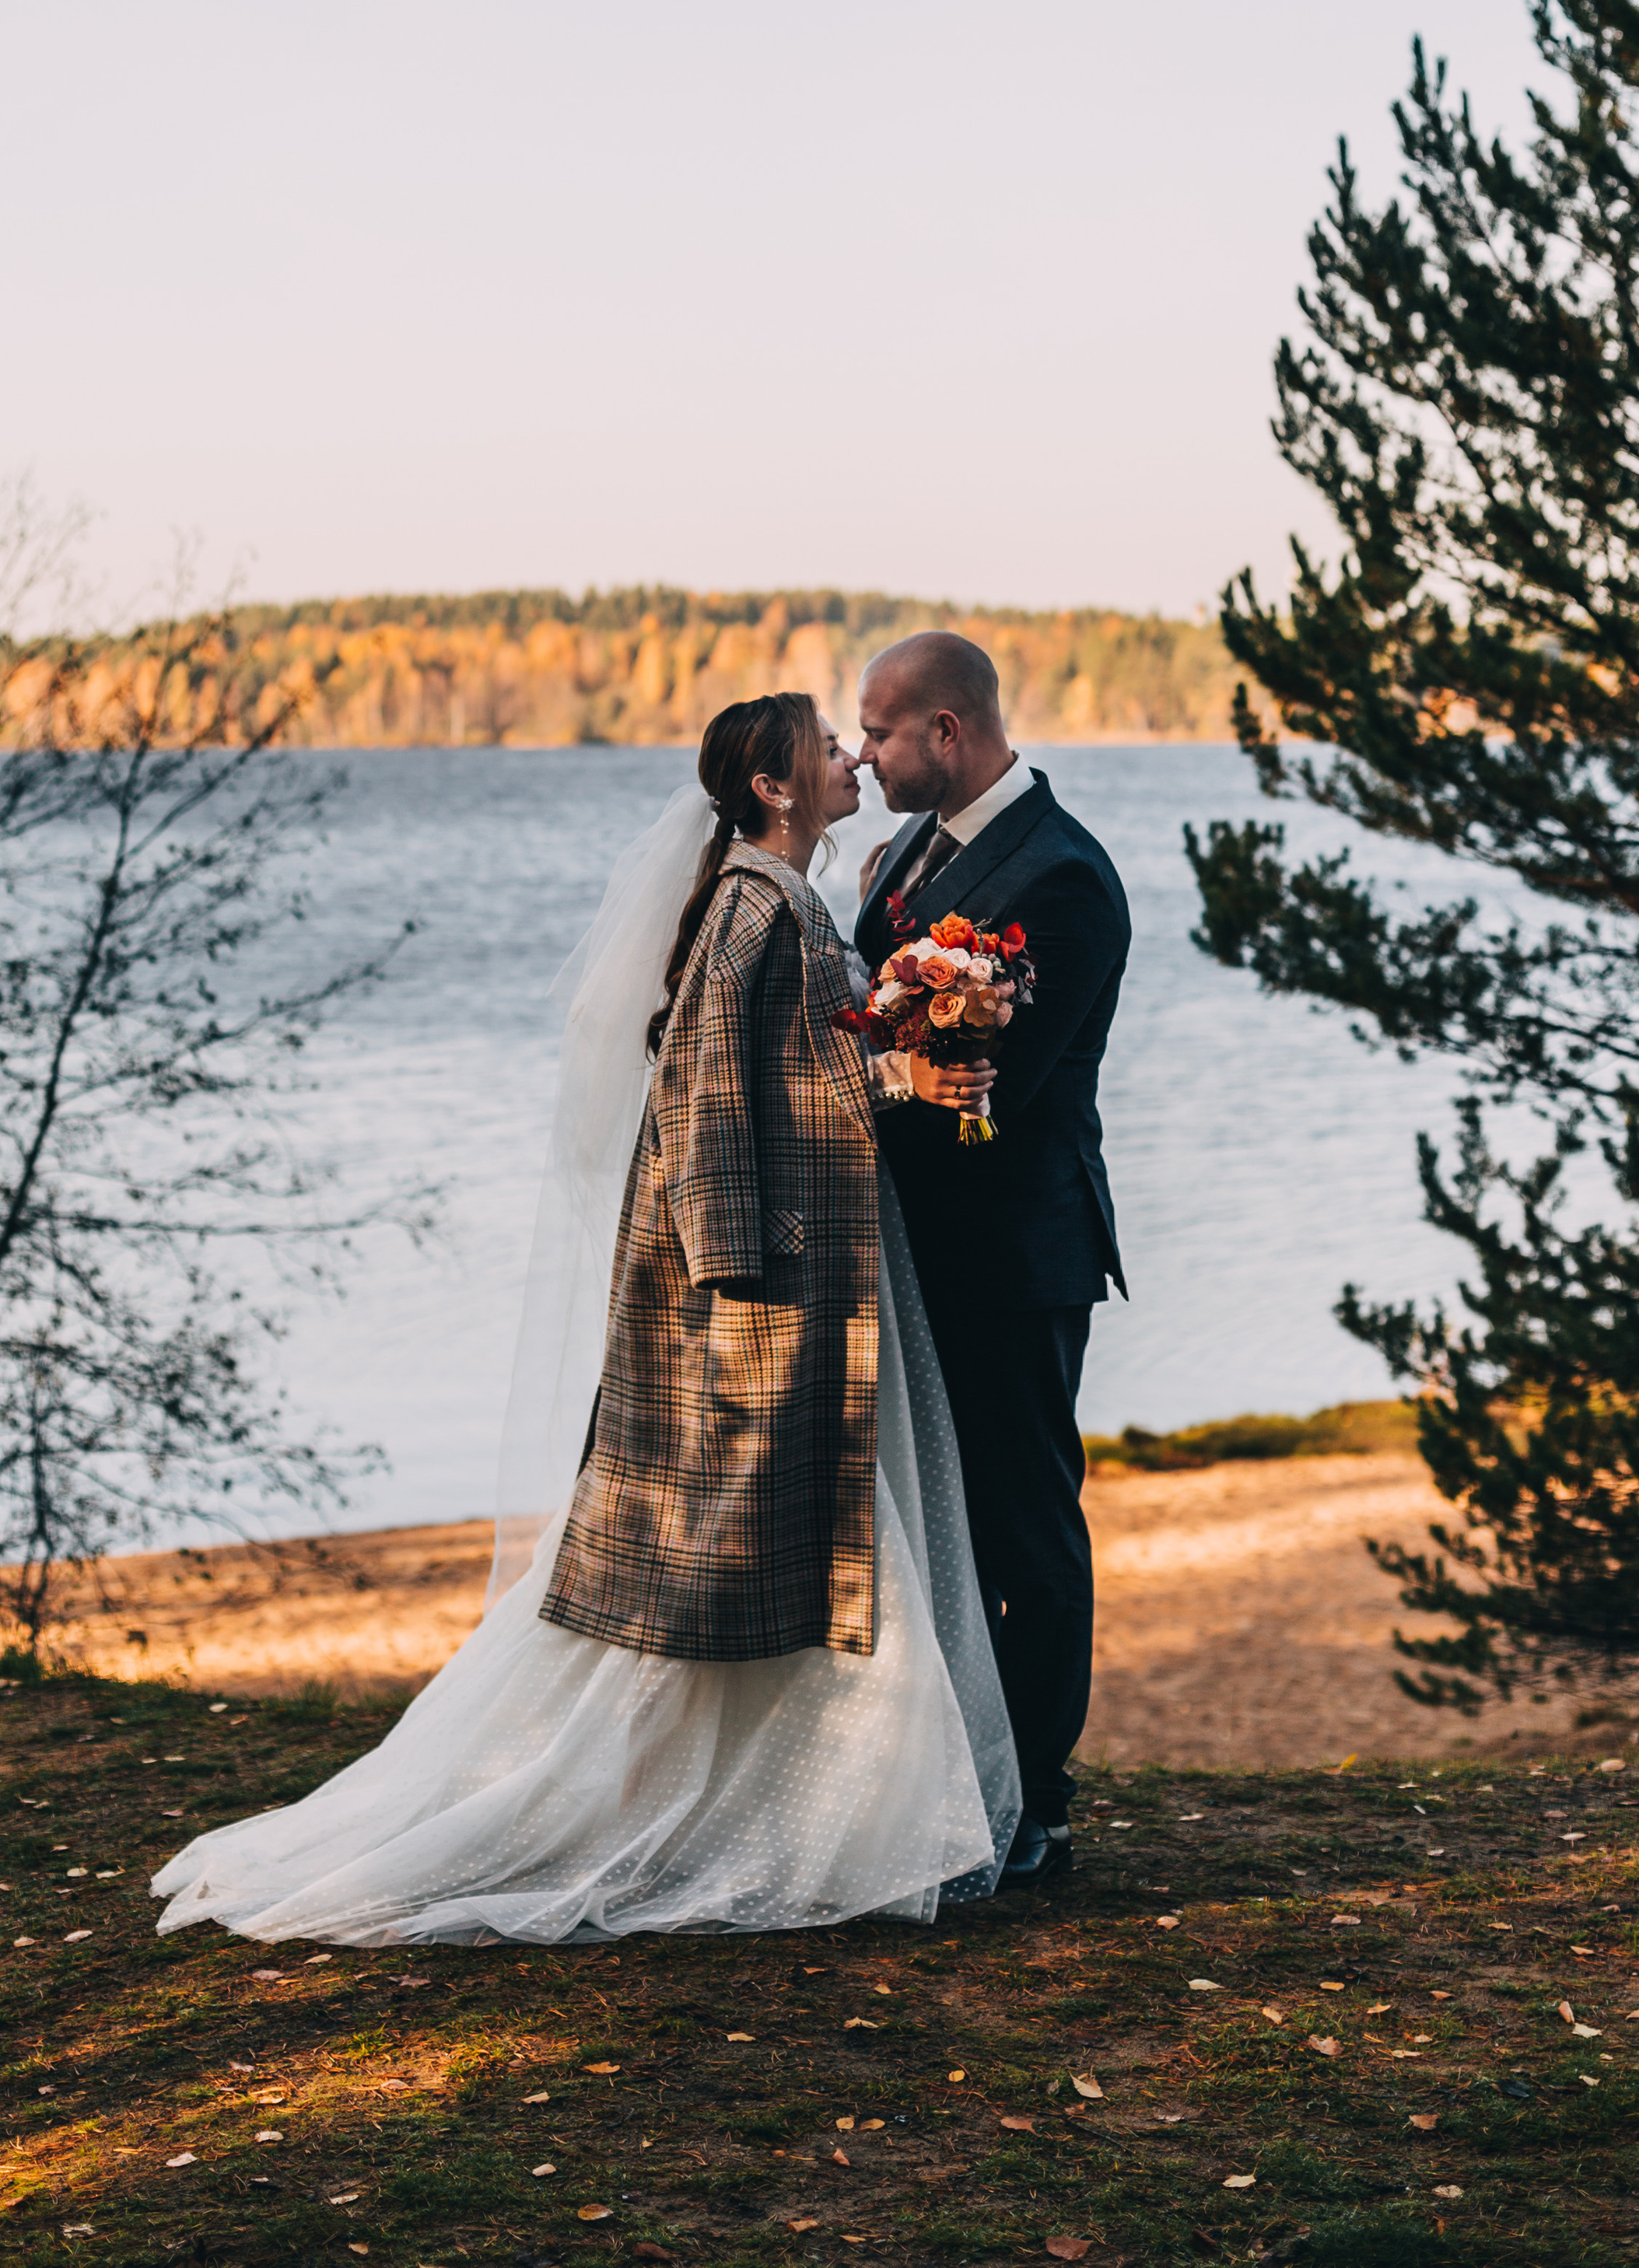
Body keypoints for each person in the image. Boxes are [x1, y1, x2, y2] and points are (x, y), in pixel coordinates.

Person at [152, 691, 1020, 1949]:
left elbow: (791, 1072)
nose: (846, 759)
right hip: (762, 1291)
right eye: (824, 746)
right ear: (773, 790)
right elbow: (713, 1093)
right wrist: (734, 1283)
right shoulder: (751, 904)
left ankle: (820, 1821)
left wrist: (903, 1062)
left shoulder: (778, 898)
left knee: (810, 1549)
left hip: (798, 1279)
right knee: (754, 1557)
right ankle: (765, 1824)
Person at [853, 633, 1131, 1888]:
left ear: (947, 734)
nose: (864, 754)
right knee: (936, 1524)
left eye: (880, 733)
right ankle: (960, 1768)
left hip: (1018, 1255)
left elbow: (999, 1094)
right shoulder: (913, 852)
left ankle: (1042, 1799)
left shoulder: (1065, 878)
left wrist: (850, 1085)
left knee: (1025, 1522)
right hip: (918, 1246)